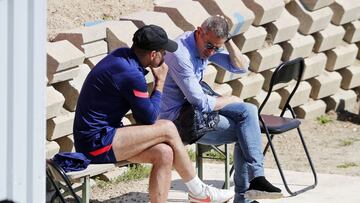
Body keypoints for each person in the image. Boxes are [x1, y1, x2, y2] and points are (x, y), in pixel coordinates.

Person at [73, 24, 234, 203]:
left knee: (164, 153)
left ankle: (190, 195)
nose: (166, 57)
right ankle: (198, 191)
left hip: (104, 135)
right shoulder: (130, 73)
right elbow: (149, 119)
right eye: (163, 52)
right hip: (95, 143)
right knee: (167, 127)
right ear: (153, 54)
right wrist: (160, 82)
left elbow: (145, 117)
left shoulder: (122, 57)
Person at [159, 16, 283, 202]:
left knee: (249, 110)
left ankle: (258, 178)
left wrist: (229, 41)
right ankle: (244, 197)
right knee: (246, 131)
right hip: (177, 120)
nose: (212, 52)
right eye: (210, 46)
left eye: (217, 48)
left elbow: (241, 68)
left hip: (196, 111)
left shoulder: (208, 44)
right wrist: (229, 99)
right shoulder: (181, 54)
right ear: (199, 31)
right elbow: (199, 101)